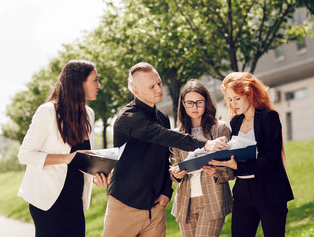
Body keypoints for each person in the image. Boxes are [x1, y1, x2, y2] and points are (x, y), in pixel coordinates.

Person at [102, 62, 229, 237]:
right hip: (125, 205)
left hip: (156, 207)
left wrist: (166, 192)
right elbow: (163, 136)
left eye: (159, 83)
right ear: (136, 91)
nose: (159, 89)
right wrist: (205, 144)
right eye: (152, 86)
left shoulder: (162, 118)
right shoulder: (128, 118)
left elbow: (164, 159)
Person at [17, 60, 111, 237]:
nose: (99, 85)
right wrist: (66, 158)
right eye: (95, 80)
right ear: (79, 83)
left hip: (75, 200)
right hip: (49, 201)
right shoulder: (48, 112)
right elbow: (25, 155)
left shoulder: (89, 114)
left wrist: (97, 173)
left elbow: (82, 158)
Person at [209, 72, 294, 237]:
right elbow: (234, 158)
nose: (233, 104)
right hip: (243, 193)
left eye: (237, 98)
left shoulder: (269, 117)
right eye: (230, 99)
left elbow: (271, 160)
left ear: (250, 93)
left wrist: (238, 165)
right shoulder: (235, 122)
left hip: (270, 191)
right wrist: (220, 164)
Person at [169, 79, 234, 237]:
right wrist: (175, 174)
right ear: (183, 104)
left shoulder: (220, 128)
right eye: (190, 103)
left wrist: (216, 172)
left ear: (207, 102)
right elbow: (172, 168)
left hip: (212, 200)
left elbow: (231, 167)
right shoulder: (177, 135)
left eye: (199, 102)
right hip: (185, 203)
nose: (195, 107)